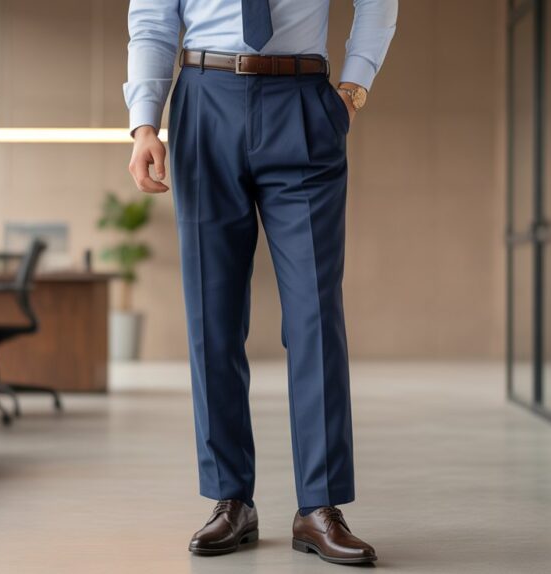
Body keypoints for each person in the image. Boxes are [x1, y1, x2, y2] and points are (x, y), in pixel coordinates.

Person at [124, 0, 397, 565]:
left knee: (316, 316)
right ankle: (231, 500)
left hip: (304, 100)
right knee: (212, 317)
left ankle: (319, 506)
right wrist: (145, 120)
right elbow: (152, 18)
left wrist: (353, 88)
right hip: (203, 98)